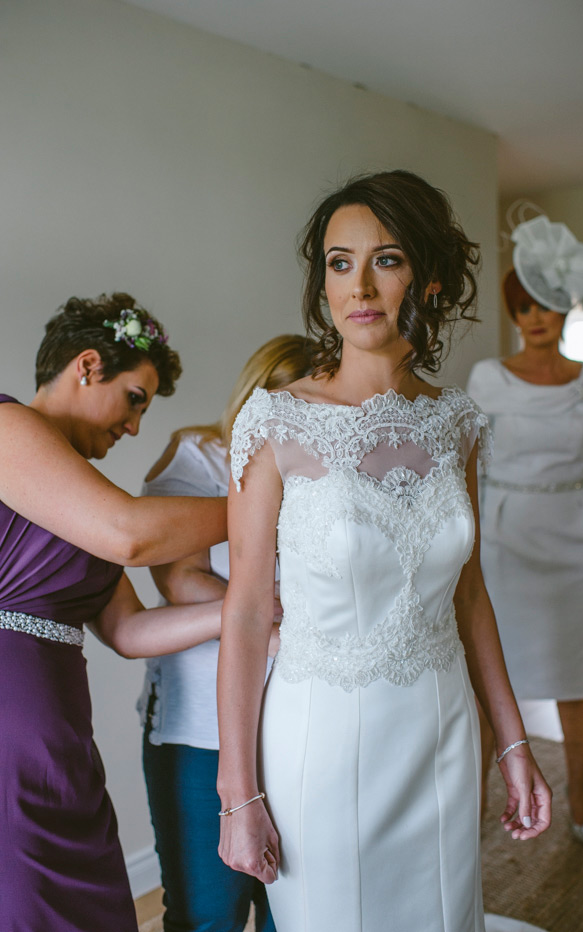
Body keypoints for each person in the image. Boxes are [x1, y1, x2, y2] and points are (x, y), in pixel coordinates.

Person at [216, 171, 552, 932]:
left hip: (440, 733)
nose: (359, 285)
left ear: (429, 277)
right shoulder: (275, 424)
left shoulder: (457, 423)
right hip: (322, 745)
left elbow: (470, 597)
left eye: (386, 259)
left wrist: (513, 744)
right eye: (339, 262)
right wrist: (238, 795)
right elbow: (242, 612)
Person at [0, 293, 228, 932]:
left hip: (60, 744)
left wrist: (246, 611)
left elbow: (129, 630)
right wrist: (265, 501)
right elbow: (129, 533)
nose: (134, 428)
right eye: (135, 399)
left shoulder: (86, 499)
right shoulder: (6, 427)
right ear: (88, 365)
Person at [138, 334, 315, 932]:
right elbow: (180, 576)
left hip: (307, 723)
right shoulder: (200, 457)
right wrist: (270, 627)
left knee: (295, 910)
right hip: (200, 730)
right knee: (207, 912)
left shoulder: (331, 470)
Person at [467, 213, 583, 850]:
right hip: (503, 540)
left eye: (546, 306)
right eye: (523, 307)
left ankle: (580, 791)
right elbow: (466, 463)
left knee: (572, 677)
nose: (534, 318)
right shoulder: (487, 379)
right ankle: (474, 796)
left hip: (573, 542)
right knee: (485, 675)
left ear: (563, 311)